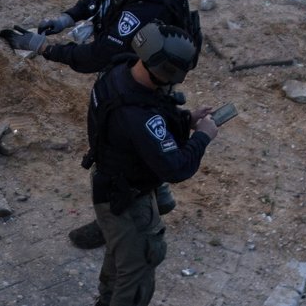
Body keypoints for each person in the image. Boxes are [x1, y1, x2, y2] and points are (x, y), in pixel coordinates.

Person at [0, 0, 201, 248]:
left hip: (138, 81)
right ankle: (159, 196)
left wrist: (45, 49)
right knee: (138, 144)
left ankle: (116, 218)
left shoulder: (150, 4)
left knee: (115, 152)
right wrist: (67, 18)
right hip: (133, 71)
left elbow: (97, 56)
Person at [83, 23, 220, 306]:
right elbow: (176, 167)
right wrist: (203, 136)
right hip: (128, 199)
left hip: (110, 184)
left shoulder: (117, 73)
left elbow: (141, 131)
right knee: (137, 269)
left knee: (120, 258)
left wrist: (185, 120)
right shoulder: (139, 115)